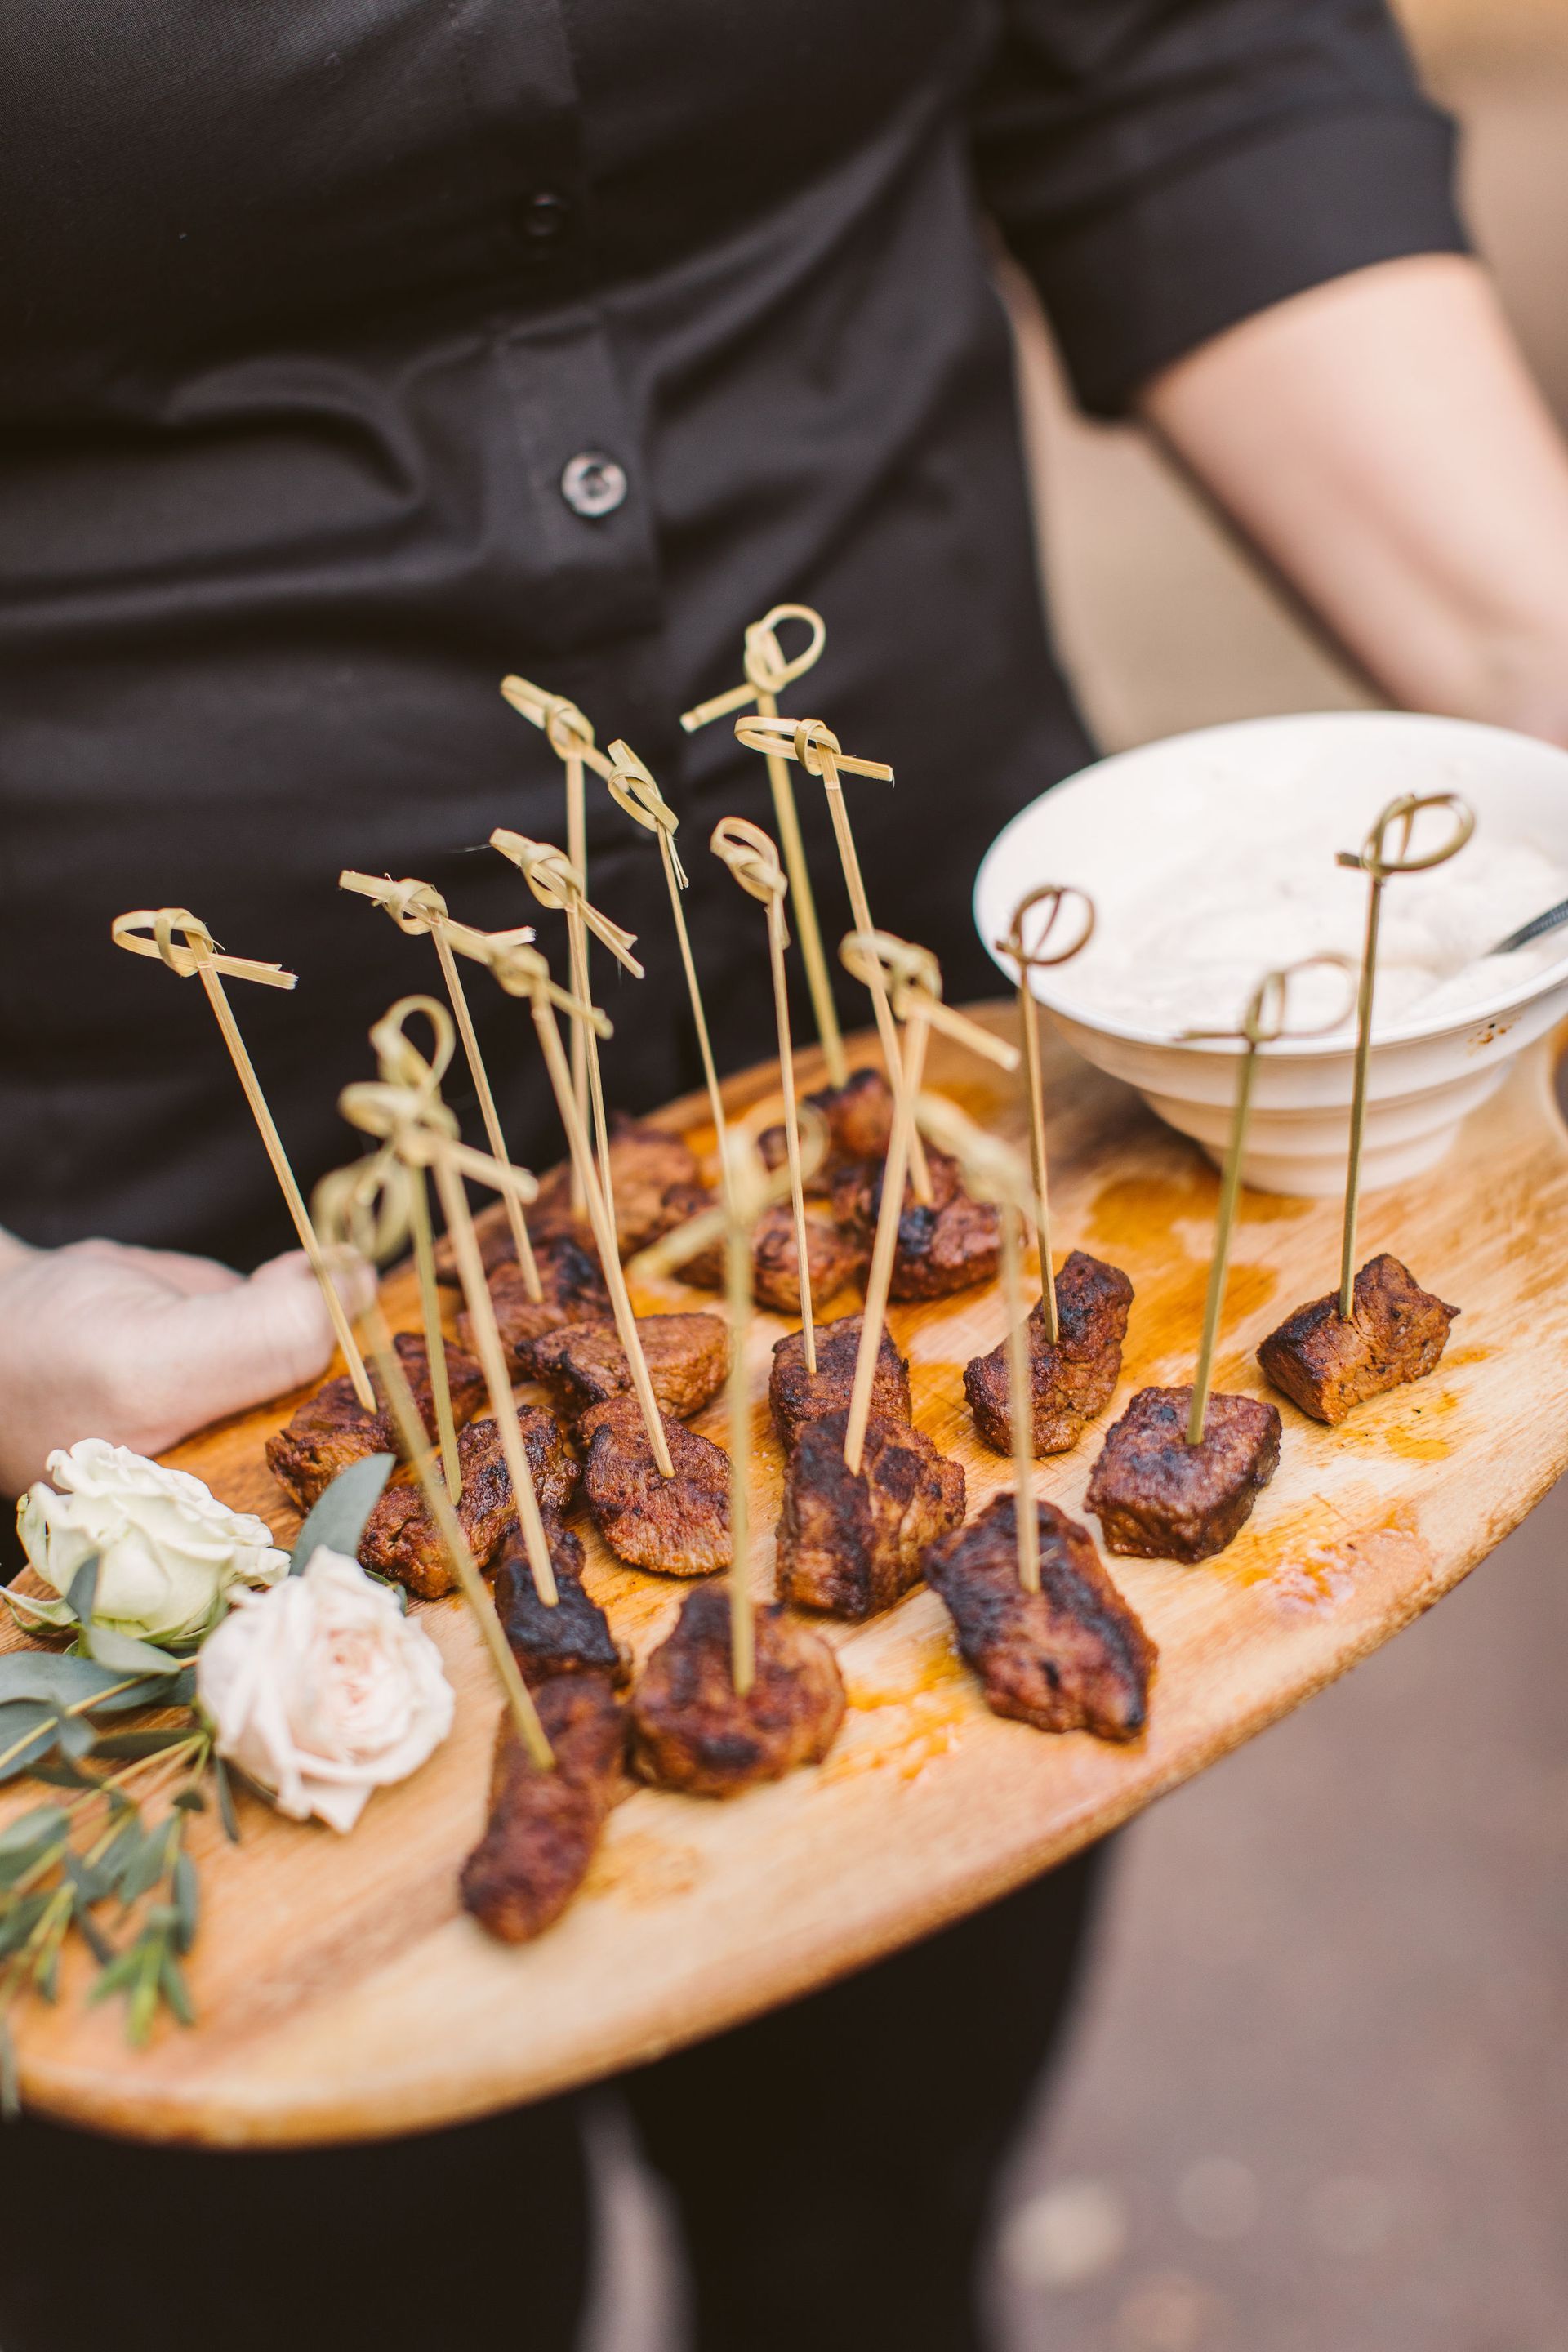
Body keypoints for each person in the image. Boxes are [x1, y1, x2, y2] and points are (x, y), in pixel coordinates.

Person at [5, 2, 1568, 2346]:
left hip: (955, 1109)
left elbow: (1173, 48)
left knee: (884, 2181)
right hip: (126, 1264)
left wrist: (1533, 660)